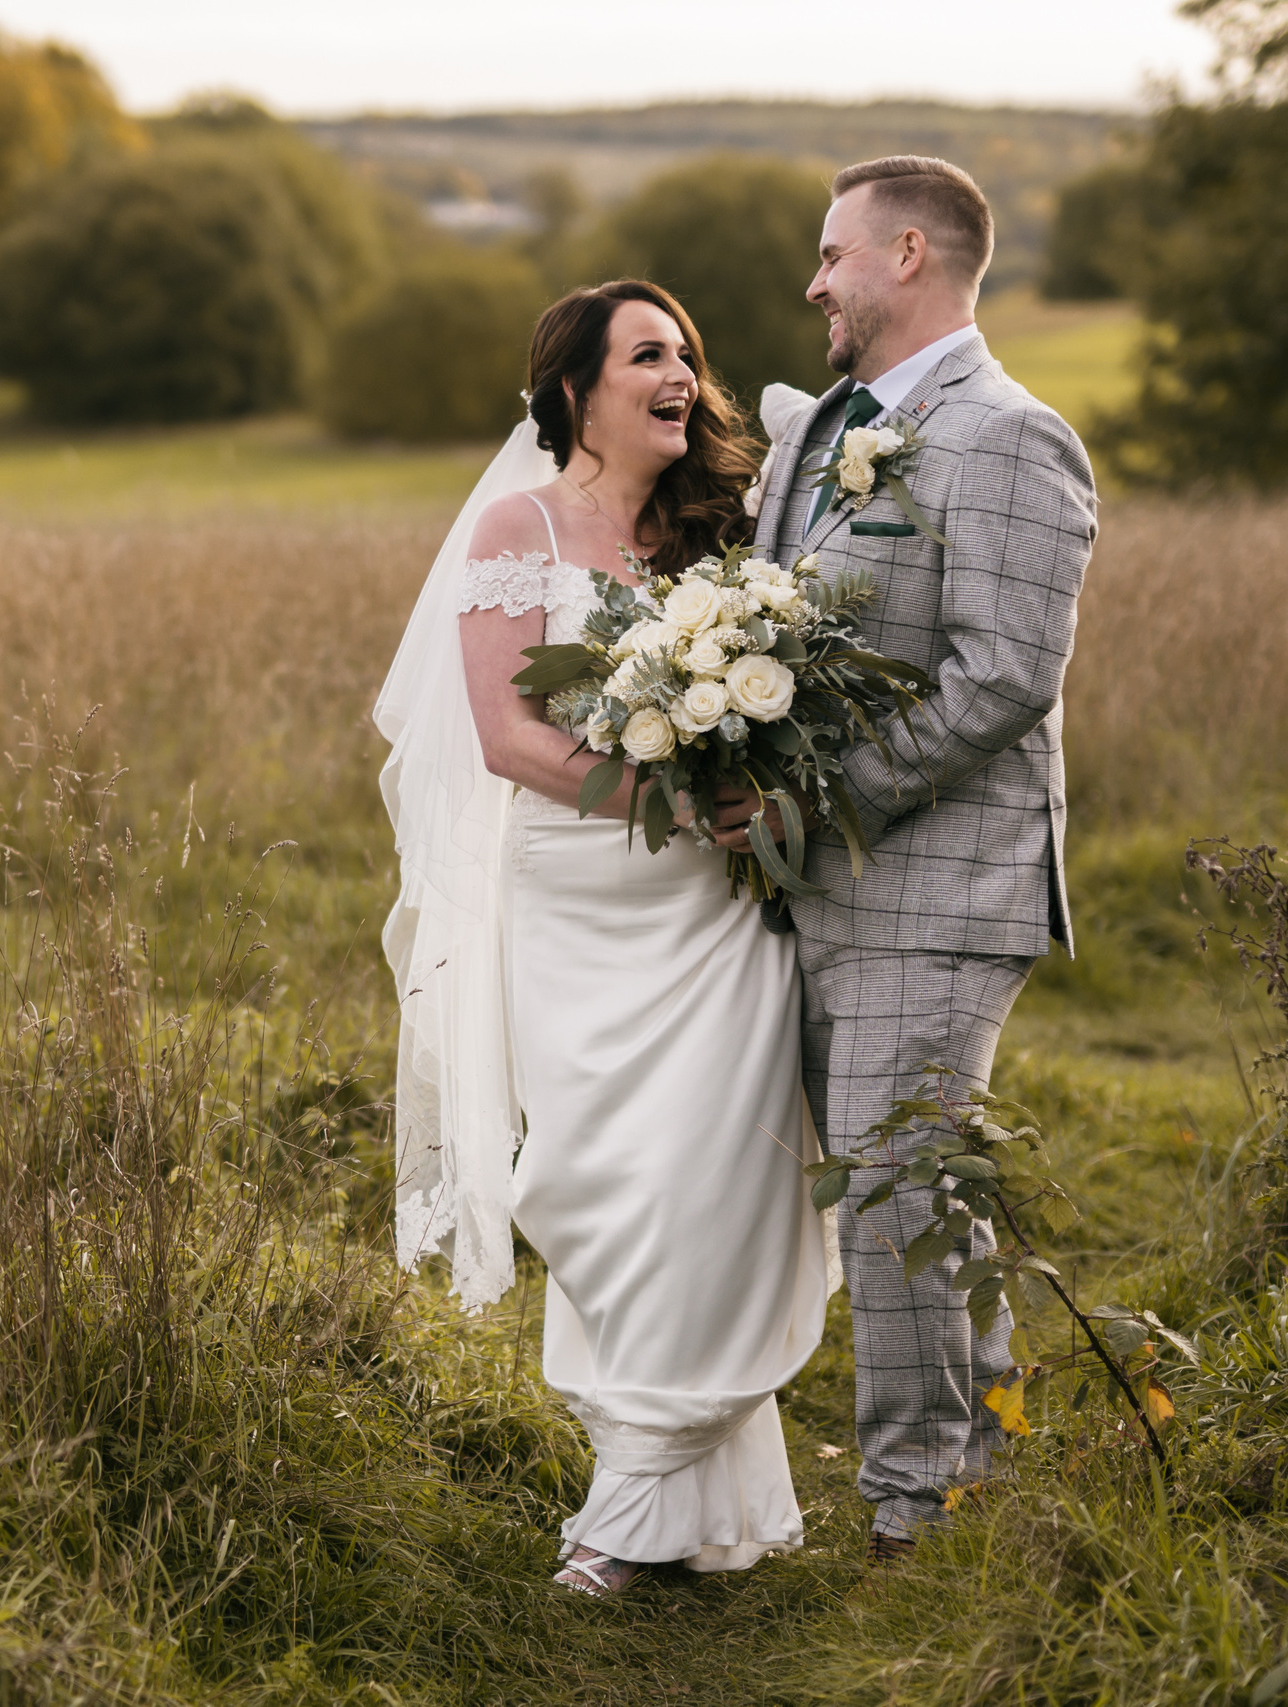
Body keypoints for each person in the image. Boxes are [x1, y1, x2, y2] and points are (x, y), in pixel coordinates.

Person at [375, 281, 833, 1598]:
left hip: (716, 920)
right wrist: (685, 801)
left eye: (688, 353)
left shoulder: (719, 537)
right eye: (648, 355)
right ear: (574, 388)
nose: (680, 372)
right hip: (581, 908)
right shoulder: (517, 526)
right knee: (612, 1189)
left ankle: (628, 1522)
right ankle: (668, 1493)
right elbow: (511, 736)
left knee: (721, 1188)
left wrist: (745, 803)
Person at [724, 155, 1097, 1561]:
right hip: (825, 889)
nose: (812, 283)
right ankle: (974, 1473)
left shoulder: (1010, 435)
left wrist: (822, 800)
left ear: (906, 253)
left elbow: (1003, 677)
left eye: (830, 256)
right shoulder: (831, 424)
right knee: (915, 1198)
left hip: (935, 891)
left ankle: (915, 1519)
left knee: (892, 1202)